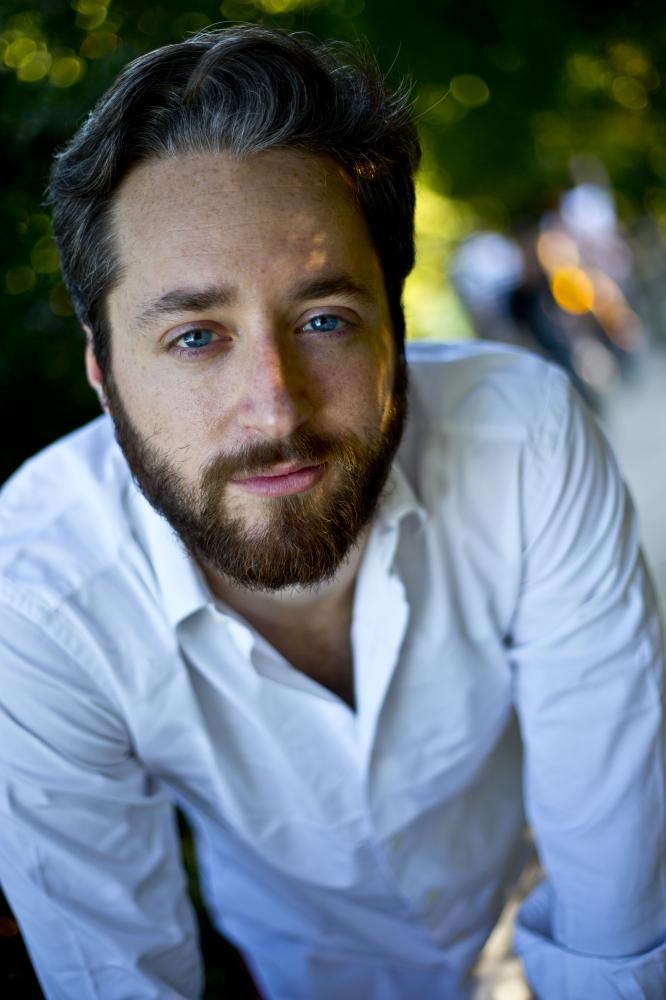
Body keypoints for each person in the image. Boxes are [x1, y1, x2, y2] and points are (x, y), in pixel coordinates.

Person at [0, 24, 664, 1000]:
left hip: (533, 910)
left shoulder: (524, 440)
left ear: (396, 329)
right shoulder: (33, 594)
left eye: (324, 320)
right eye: (195, 337)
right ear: (103, 374)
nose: (275, 409)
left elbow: (619, 926)